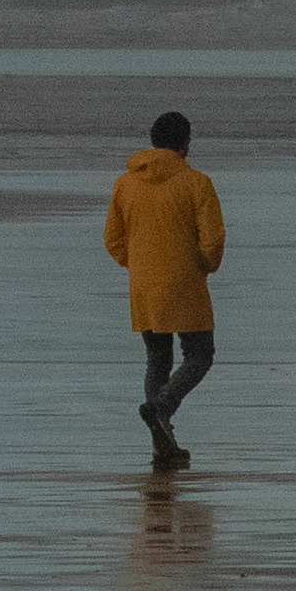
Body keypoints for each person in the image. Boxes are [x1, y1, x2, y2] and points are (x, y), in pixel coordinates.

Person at [103, 109, 225, 470]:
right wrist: (204, 265)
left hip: (143, 282)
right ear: (185, 146)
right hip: (185, 280)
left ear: (153, 142)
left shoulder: (125, 184)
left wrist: (137, 264)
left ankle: (162, 441)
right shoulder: (196, 183)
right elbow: (213, 240)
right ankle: (163, 409)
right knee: (200, 354)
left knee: (158, 358)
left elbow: (113, 239)